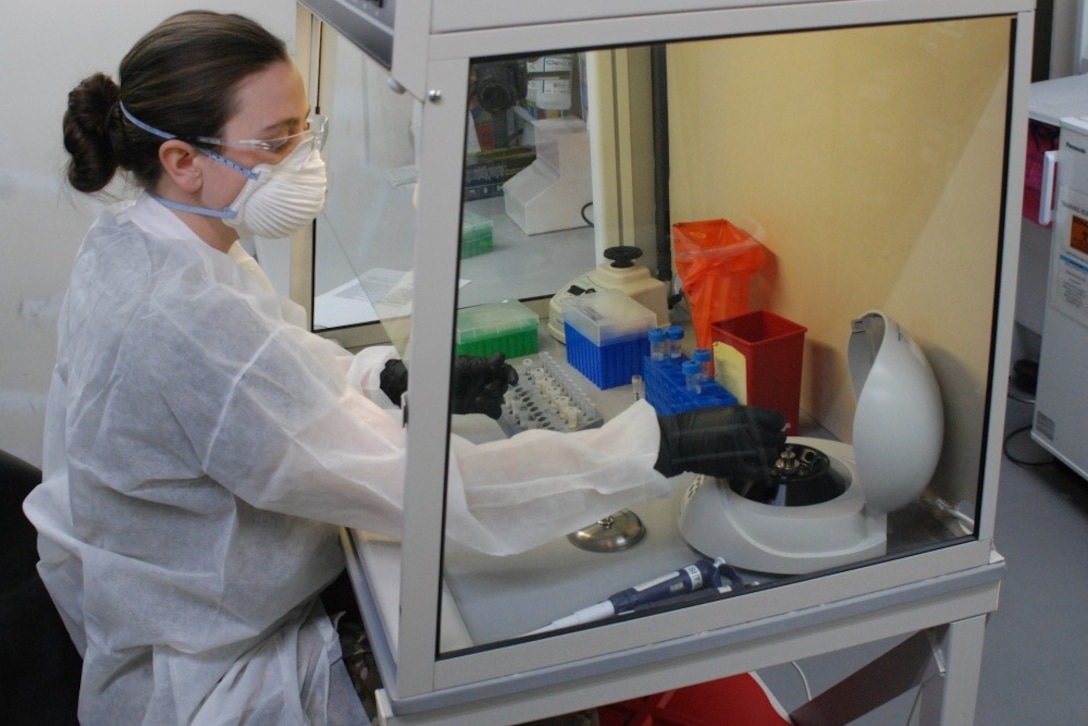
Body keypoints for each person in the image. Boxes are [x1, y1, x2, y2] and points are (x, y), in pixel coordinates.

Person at [23, 11, 786, 725]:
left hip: (165, 614)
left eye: (307, 128)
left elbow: (276, 357)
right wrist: (649, 450)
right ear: (182, 160)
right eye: (278, 140)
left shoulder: (143, 243)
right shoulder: (184, 318)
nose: (307, 159)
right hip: (220, 675)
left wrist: (388, 378)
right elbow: (430, 494)